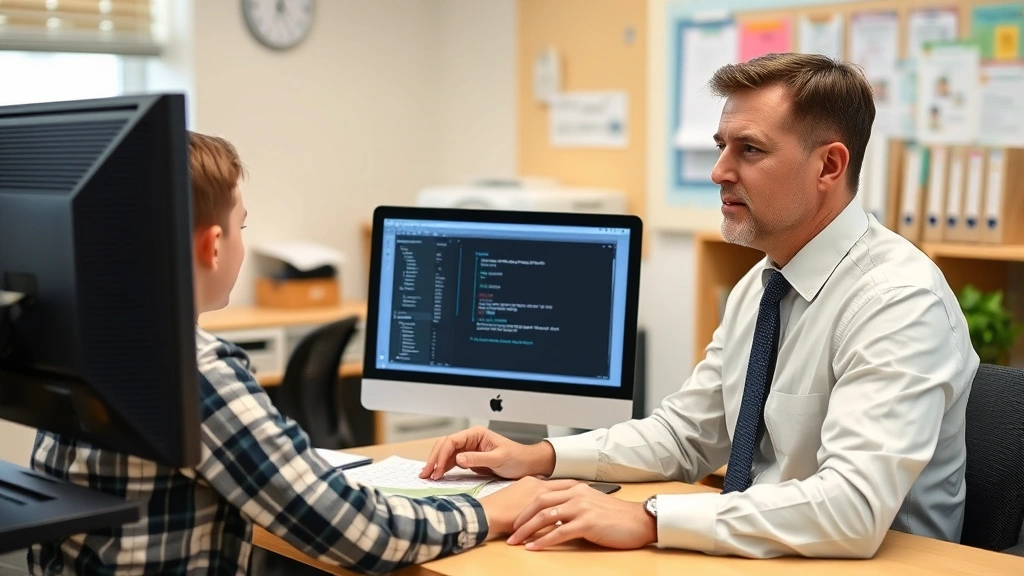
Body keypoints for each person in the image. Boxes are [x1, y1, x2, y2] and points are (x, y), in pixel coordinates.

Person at [420, 53, 978, 559]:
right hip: (769, 552)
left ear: (829, 166)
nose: (719, 172)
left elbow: (851, 508)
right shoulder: (764, 284)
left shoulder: (897, 301)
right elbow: (684, 436)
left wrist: (649, 518)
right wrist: (539, 457)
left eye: (750, 149)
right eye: (721, 147)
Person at [29, 131, 576, 576]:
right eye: (242, 227)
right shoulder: (193, 371)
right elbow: (359, 533)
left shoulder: (90, 342)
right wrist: (485, 511)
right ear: (213, 245)